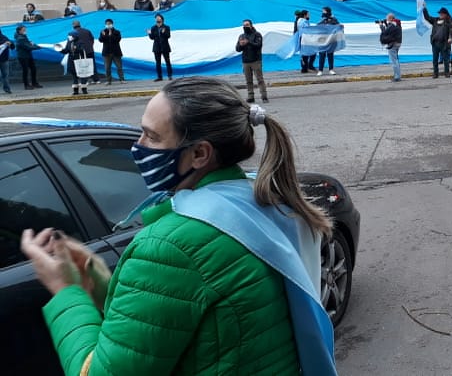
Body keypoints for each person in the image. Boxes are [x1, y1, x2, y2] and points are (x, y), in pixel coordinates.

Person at [19, 77, 334, 375]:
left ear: (199, 154)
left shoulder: (172, 246)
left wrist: (66, 291)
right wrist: (101, 283)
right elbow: (186, 319)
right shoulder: (261, 203)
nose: (137, 147)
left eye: (152, 137)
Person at [237, 19, 269, 103]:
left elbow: (258, 45)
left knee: (260, 79)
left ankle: (264, 96)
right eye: (244, 25)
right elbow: (237, 49)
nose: (245, 26)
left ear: (251, 25)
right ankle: (250, 96)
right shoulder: (241, 36)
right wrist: (241, 45)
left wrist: (248, 42)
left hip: (256, 60)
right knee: (248, 80)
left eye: (247, 25)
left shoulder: (257, 34)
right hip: (245, 61)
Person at [422, 6, 452, 79]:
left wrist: (450, 37)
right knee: (435, 59)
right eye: (440, 13)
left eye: (442, 14)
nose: (440, 15)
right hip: (435, 43)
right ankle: (435, 73)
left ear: (446, 14)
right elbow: (427, 17)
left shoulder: (449, 21)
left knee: (446, 59)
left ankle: (447, 73)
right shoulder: (435, 20)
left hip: (444, 43)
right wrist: (424, 9)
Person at [60, 30, 90, 95]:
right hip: (71, 60)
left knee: (82, 74)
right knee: (74, 75)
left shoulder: (80, 42)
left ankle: (84, 89)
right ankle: (75, 90)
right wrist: (60, 50)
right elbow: (66, 50)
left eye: (70, 36)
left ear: (75, 36)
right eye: (69, 36)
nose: (69, 37)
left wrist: (76, 48)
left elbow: (82, 50)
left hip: (79, 59)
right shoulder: (69, 42)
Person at [14, 25, 42, 89]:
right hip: (23, 56)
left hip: (28, 55)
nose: (25, 31)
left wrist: (31, 43)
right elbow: (28, 47)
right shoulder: (20, 38)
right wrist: (38, 47)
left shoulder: (23, 36)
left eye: (25, 30)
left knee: (33, 69)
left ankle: (34, 83)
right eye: (23, 30)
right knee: (25, 70)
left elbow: (28, 44)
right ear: (19, 31)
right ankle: (26, 85)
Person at [315, 7, 341, 77]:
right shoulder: (322, 20)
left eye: (324, 11)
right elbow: (317, 27)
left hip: (330, 40)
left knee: (330, 55)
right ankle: (320, 70)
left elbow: (338, 27)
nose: (322, 13)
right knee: (322, 55)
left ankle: (331, 69)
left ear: (327, 12)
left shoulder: (334, 20)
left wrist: (339, 26)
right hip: (322, 40)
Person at [99, 18, 125, 85]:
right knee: (107, 68)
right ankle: (108, 80)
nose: (108, 25)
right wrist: (104, 35)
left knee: (119, 67)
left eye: (109, 24)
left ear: (112, 24)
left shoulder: (117, 32)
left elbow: (118, 39)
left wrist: (111, 35)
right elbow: (101, 40)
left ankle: (122, 79)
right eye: (107, 24)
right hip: (106, 53)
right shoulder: (103, 31)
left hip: (116, 52)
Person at [149, 13, 173, 81]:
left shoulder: (166, 27)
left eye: (158, 17)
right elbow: (152, 38)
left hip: (165, 47)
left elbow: (168, 36)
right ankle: (160, 77)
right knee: (158, 63)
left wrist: (163, 32)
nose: (157, 19)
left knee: (167, 62)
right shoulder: (153, 28)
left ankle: (170, 76)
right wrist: (149, 34)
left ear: (162, 19)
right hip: (157, 47)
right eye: (156, 18)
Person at [379, 13, 403, 82]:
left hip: (393, 44)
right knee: (396, 60)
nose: (387, 20)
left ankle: (397, 77)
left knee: (394, 61)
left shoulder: (393, 24)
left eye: (387, 19)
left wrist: (381, 26)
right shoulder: (397, 23)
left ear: (390, 18)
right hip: (397, 43)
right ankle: (398, 75)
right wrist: (386, 24)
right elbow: (390, 32)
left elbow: (385, 32)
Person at [0, 28, 12, 94]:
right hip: (4, 59)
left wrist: (9, 44)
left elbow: (13, 47)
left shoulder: (4, 38)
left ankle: (7, 88)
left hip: (4, 60)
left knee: (5, 75)